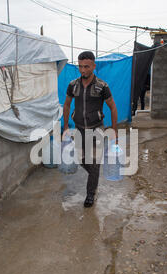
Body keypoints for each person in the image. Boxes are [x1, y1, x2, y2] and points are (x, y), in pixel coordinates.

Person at [62, 51, 118, 208]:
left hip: (97, 130)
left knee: (94, 163)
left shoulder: (102, 86)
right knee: (81, 159)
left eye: (86, 66)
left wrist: (114, 130)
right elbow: (66, 105)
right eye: (80, 66)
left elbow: (113, 107)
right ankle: (94, 175)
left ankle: (90, 194)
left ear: (93, 66)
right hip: (79, 129)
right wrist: (66, 126)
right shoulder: (73, 85)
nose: (83, 70)